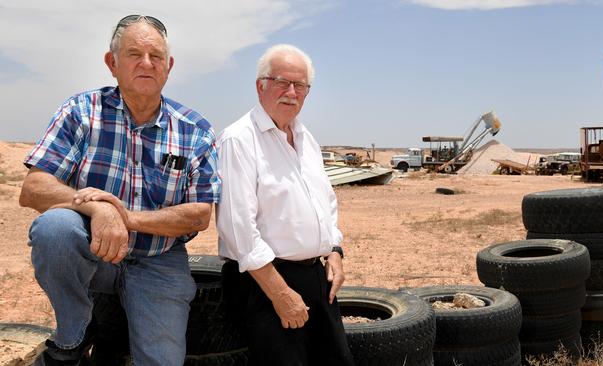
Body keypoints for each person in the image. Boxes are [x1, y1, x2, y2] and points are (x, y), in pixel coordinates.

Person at [19, 15, 220, 365]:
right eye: (133, 54)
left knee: (162, 360)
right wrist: (98, 209)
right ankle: (72, 337)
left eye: (155, 56)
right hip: (92, 250)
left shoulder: (194, 130)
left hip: (158, 259)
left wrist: (124, 216)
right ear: (112, 63)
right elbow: (34, 188)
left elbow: (199, 214)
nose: (146, 63)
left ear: (168, 66)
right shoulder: (82, 112)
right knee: (55, 229)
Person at [216, 44, 355, 366]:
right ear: (260, 85)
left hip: (315, 280)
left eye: (300, 85)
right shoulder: (238, 140)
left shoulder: (307, 141)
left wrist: (335, 250)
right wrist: (280, 294)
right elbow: (237, 228)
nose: (291, 92)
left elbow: (326, 204)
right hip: (265, 282)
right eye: (282, 82)